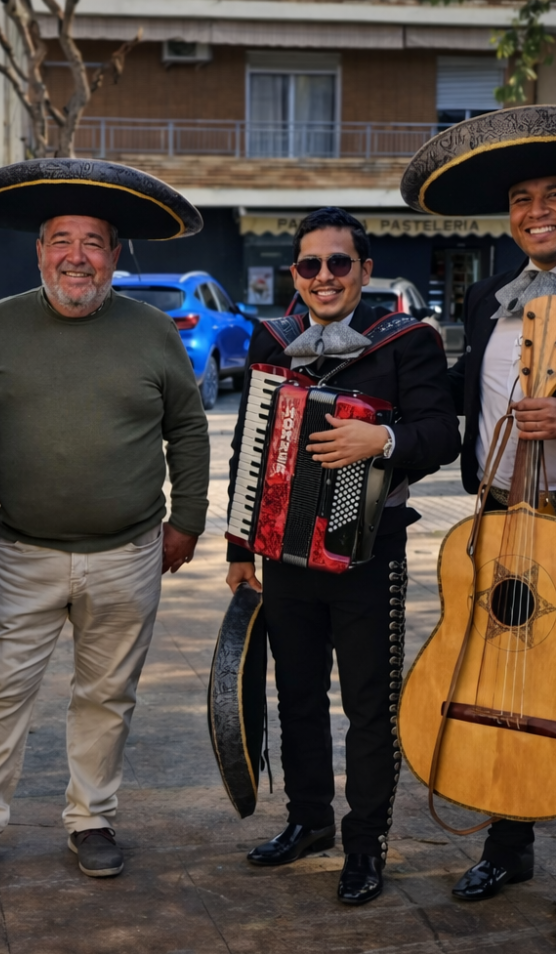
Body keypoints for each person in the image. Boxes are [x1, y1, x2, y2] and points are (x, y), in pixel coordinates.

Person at [0, 158, 210, 884]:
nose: (77, 256)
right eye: (62, 240)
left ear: (115, 256)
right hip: (25, 550)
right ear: (39, 252)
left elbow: (187, 427)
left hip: (129, 552)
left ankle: (92, 818)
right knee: (0, 691)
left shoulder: (153, 331)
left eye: (94, 242)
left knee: (106, 695)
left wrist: (188, 517)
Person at [226, 207, 460, 905]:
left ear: (363, 269)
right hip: (284, 554)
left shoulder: (407, 340)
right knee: (295, 695)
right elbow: (251, 446)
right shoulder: (274, 340)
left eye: (337, 264)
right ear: (295, 274)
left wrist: (379, 440)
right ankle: (308, 822)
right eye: (309, 266)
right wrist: (241, 546)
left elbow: (440, 434)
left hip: (369, 552)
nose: (323, 278)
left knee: (368, 705)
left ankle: (366, 846)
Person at [401, 106, 556, 902]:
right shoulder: (490, 293)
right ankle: (508, 841)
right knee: (507, 668)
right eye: (523, 197)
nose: (537, 210)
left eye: (553, 192)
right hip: (503, 503)